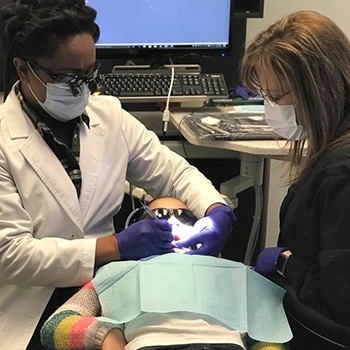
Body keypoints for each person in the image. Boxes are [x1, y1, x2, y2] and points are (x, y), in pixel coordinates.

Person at [0, 1, 236, 348]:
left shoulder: (109, 116)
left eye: (89, 74)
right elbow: (11, 255)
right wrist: (113, 246)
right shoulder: (5, 141)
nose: (81, 88)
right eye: (66, 77)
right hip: (35, 302)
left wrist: (217, 211)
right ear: (23, 69)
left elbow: (174, 174)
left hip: (112, 284)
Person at [40, 197, 287, 350]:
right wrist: (105, 335)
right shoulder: (117, 272)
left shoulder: (234, 273)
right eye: (158, 217)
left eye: (184, 217)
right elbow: (55, 327)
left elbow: (269, 333)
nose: (172, 223)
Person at [240, 8, 350, 340]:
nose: (270, 108)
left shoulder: (341, 174)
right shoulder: (332, 150)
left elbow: (342, 299)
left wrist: (286, 263)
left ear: (317, 89)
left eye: (275, 97)